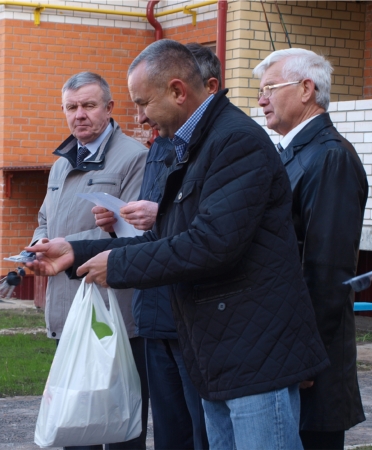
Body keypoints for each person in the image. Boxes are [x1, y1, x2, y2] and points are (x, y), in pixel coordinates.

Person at [26, 39, 330, 450]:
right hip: (221, 350)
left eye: (143, 103)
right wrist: (77, 252)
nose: (139, 116)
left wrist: (116, 269)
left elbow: (211, 244)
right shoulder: (196, 142)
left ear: (177, 91)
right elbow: (167, 236)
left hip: (256, 355)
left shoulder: (233, 141)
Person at [92, 42, 219, 450]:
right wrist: (117, 229)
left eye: (146, 101)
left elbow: (201, 234)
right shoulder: (162, 147)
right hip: (154, 311)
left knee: (203, 433)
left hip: (192, 316)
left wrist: (156, 214)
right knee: (168, 434)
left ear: (186, 89)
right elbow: (155, 232)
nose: (141, 116)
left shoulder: (224, 145)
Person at [253, 48, 367, 450]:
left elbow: (328, 271)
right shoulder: (294, 152)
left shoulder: (330, 156)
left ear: (306, 89)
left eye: (270, 88)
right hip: (286, 347)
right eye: (260, 89)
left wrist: (306, 353)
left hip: (308, 358)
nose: (261, 99)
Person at [31, 71, 148, 450]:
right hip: (70, 310)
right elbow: (45, 219)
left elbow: (135, 236)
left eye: (88, 105)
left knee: (119, 426)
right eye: (71, 107)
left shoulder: (134, 158)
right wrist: (37, 245)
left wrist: (64, 249)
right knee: (75, 425)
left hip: (116, 315)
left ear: (110, 108)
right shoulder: (62, 162)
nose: (79, 114)